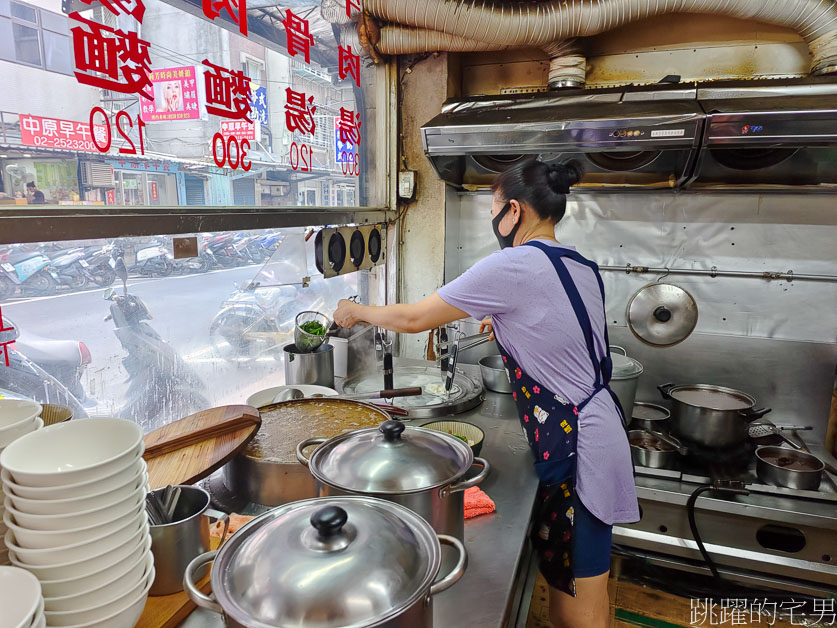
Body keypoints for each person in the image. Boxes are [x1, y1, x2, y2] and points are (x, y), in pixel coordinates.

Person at [334, 160, 639, 628]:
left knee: (577, 608)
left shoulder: (513, 264)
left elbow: (416, 319)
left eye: (494, 209)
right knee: (577, 581)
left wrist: (356, 310)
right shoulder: (576, 263)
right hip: (594, 429)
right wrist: (506, 321)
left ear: (514, 210)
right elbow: (564, 336)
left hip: (582, 447)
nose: (493, 221)